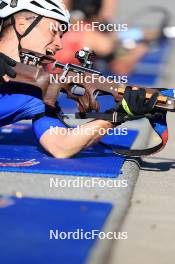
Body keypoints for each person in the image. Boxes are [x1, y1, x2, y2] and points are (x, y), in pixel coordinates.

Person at [0, 0, 158, 159]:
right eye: (54, 31)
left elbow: (61, 146)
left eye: (61, 35)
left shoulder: (35, 93)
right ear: (22, 25)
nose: (59, 44)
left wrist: (118, 115)